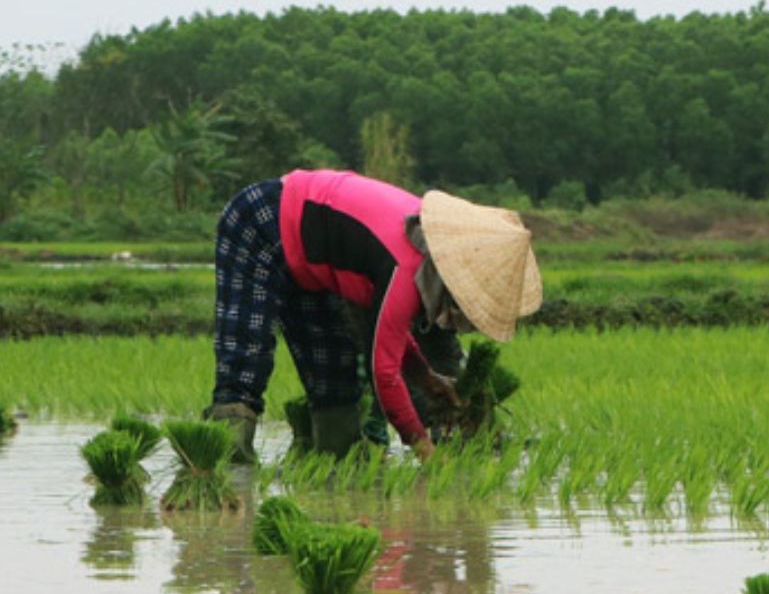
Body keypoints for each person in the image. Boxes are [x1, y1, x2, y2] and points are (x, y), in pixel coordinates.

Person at [203, 169, 542, 461]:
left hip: (314, 264)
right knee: (246, 358)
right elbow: (384, 372)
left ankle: (336, 475)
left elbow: (386, 331)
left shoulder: (421, 252)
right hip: (261, 223)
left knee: (334, 375)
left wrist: (425, 377)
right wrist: (422, 446)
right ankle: (225, 472)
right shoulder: (405, 268)